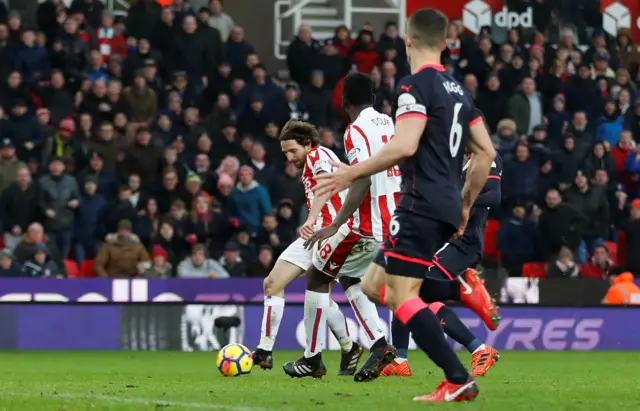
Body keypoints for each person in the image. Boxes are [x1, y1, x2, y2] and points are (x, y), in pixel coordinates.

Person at [313, 9, 497, 401]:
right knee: (374, 285)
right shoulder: (459, 91)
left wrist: (349, 174)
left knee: (397, 295)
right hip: (445, 204)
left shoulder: (415, 86)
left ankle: (457, 362)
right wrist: (464, 203)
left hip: (418, 203)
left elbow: (405, 145)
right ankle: (456, 297)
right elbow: (485, 152)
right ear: (446, 43)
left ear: (408, 41)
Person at [283, 74, 396, 380]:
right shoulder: (390, 123)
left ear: (344, 103)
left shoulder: (355, 130)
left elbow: (362, 178)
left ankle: (312, 359)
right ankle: (379, 346)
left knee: (317, 276)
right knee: (349, 277)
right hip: (395, 217)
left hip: (367, 222)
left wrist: (335, 224)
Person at [381, 146, 503, 378]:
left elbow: (495, 196)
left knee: (411, 289)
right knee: (404, 289)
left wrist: (460, 200)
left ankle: (463, 291)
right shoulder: (455, 161)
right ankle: (400, 359)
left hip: (461, 242)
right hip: (442, 237)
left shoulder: (487, 157)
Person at [252, 120, 361, 377]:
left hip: (332, 233)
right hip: (314, 235)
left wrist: (311, 219)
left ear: (308, 144)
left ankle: (325, 355)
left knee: (318, 294)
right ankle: (265, 349)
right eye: (285, 153)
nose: (290, 157)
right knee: (272, 284)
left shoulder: (319, 155)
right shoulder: (311, 160)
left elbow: (324, 184)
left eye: (293, 151)